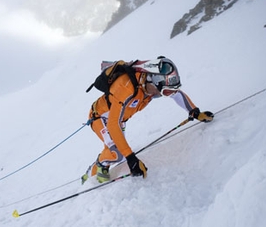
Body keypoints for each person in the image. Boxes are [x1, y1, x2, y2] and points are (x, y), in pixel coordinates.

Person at [82, 56, 214, 183]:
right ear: (153, 81)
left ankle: (100, 165)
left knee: (116, 152)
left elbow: (176, 93)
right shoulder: (126, 88)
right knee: (118, 153)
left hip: (119, 118)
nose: (163, 95)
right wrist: (131, 158)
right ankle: (95, 170)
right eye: (163, 92)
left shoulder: (150, 86)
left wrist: (194, 112)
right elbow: (112, 124)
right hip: (101, 116)